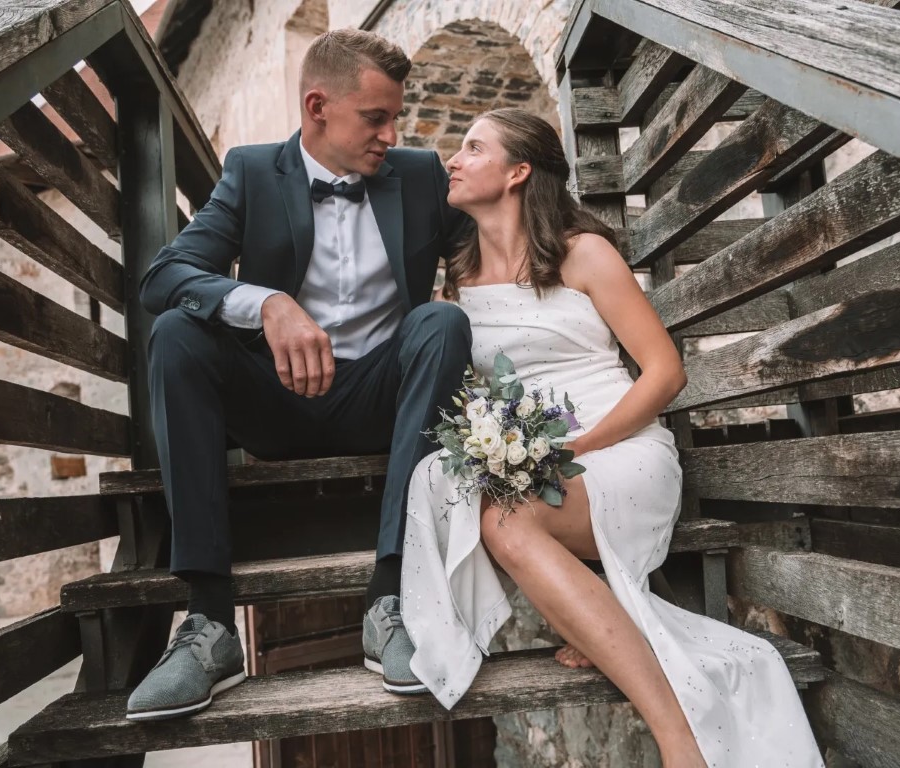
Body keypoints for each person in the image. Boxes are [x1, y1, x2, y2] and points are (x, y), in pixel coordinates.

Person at [398, 108, 824, 768]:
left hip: (622, 450)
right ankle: (607, 633)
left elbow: (664, 370)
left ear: (518, 172)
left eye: (473, 148)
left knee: (508, 525)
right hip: (541, 462)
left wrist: (583, 445)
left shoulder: (583, 253)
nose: (453, 161)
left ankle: (678, 740)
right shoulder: (453, 281)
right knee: (478, 504)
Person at [125, 29, 471, 721]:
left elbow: (500, 249)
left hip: (381, 397)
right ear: (317, 106)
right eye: (375, 118)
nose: (390, 132)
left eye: (395, 117)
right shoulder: (252, 172)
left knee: (442, 322)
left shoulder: (422, 174)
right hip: (277, 403)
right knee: (175, 335)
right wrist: (265, 304)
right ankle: (209, 623)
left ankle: (391, 598)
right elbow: (163, 276)